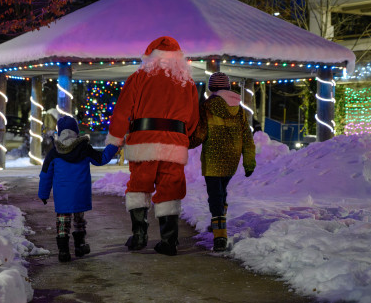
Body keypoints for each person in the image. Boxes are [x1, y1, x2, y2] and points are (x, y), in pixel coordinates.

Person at [106, 36, 200, 256]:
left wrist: (115, 139)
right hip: (173, 143)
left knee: (139, 185)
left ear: (150, 57)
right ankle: (169, 241)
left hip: (143, 141)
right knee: (170, 188)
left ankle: (139, 236)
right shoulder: (187, 82)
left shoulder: (138, 77)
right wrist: (183, 135)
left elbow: (122, 111)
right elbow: (193, 118)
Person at [189, 72, 256, 252]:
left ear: (212, 88)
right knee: (222, 191)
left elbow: (200, 133)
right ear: (227, 87)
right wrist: (249, 161)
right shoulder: (238, 108)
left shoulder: (207, 106)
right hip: (232, 156)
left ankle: (220, 234)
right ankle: (218, 223)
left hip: (213, 156)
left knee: (215, 195)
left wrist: (185, 143)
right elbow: (247, 136)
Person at [38, 116, 118, 262]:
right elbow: (101, 159)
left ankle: (63, 251)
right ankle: (80, 245)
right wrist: (114, 145)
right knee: (79, 219)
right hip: (80, 192)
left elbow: (45, 174)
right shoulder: (84, 148)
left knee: (63, 221)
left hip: (62, 195)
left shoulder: (54, 152)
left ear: (60, 131)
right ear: (75, 130)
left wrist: (43, 194)